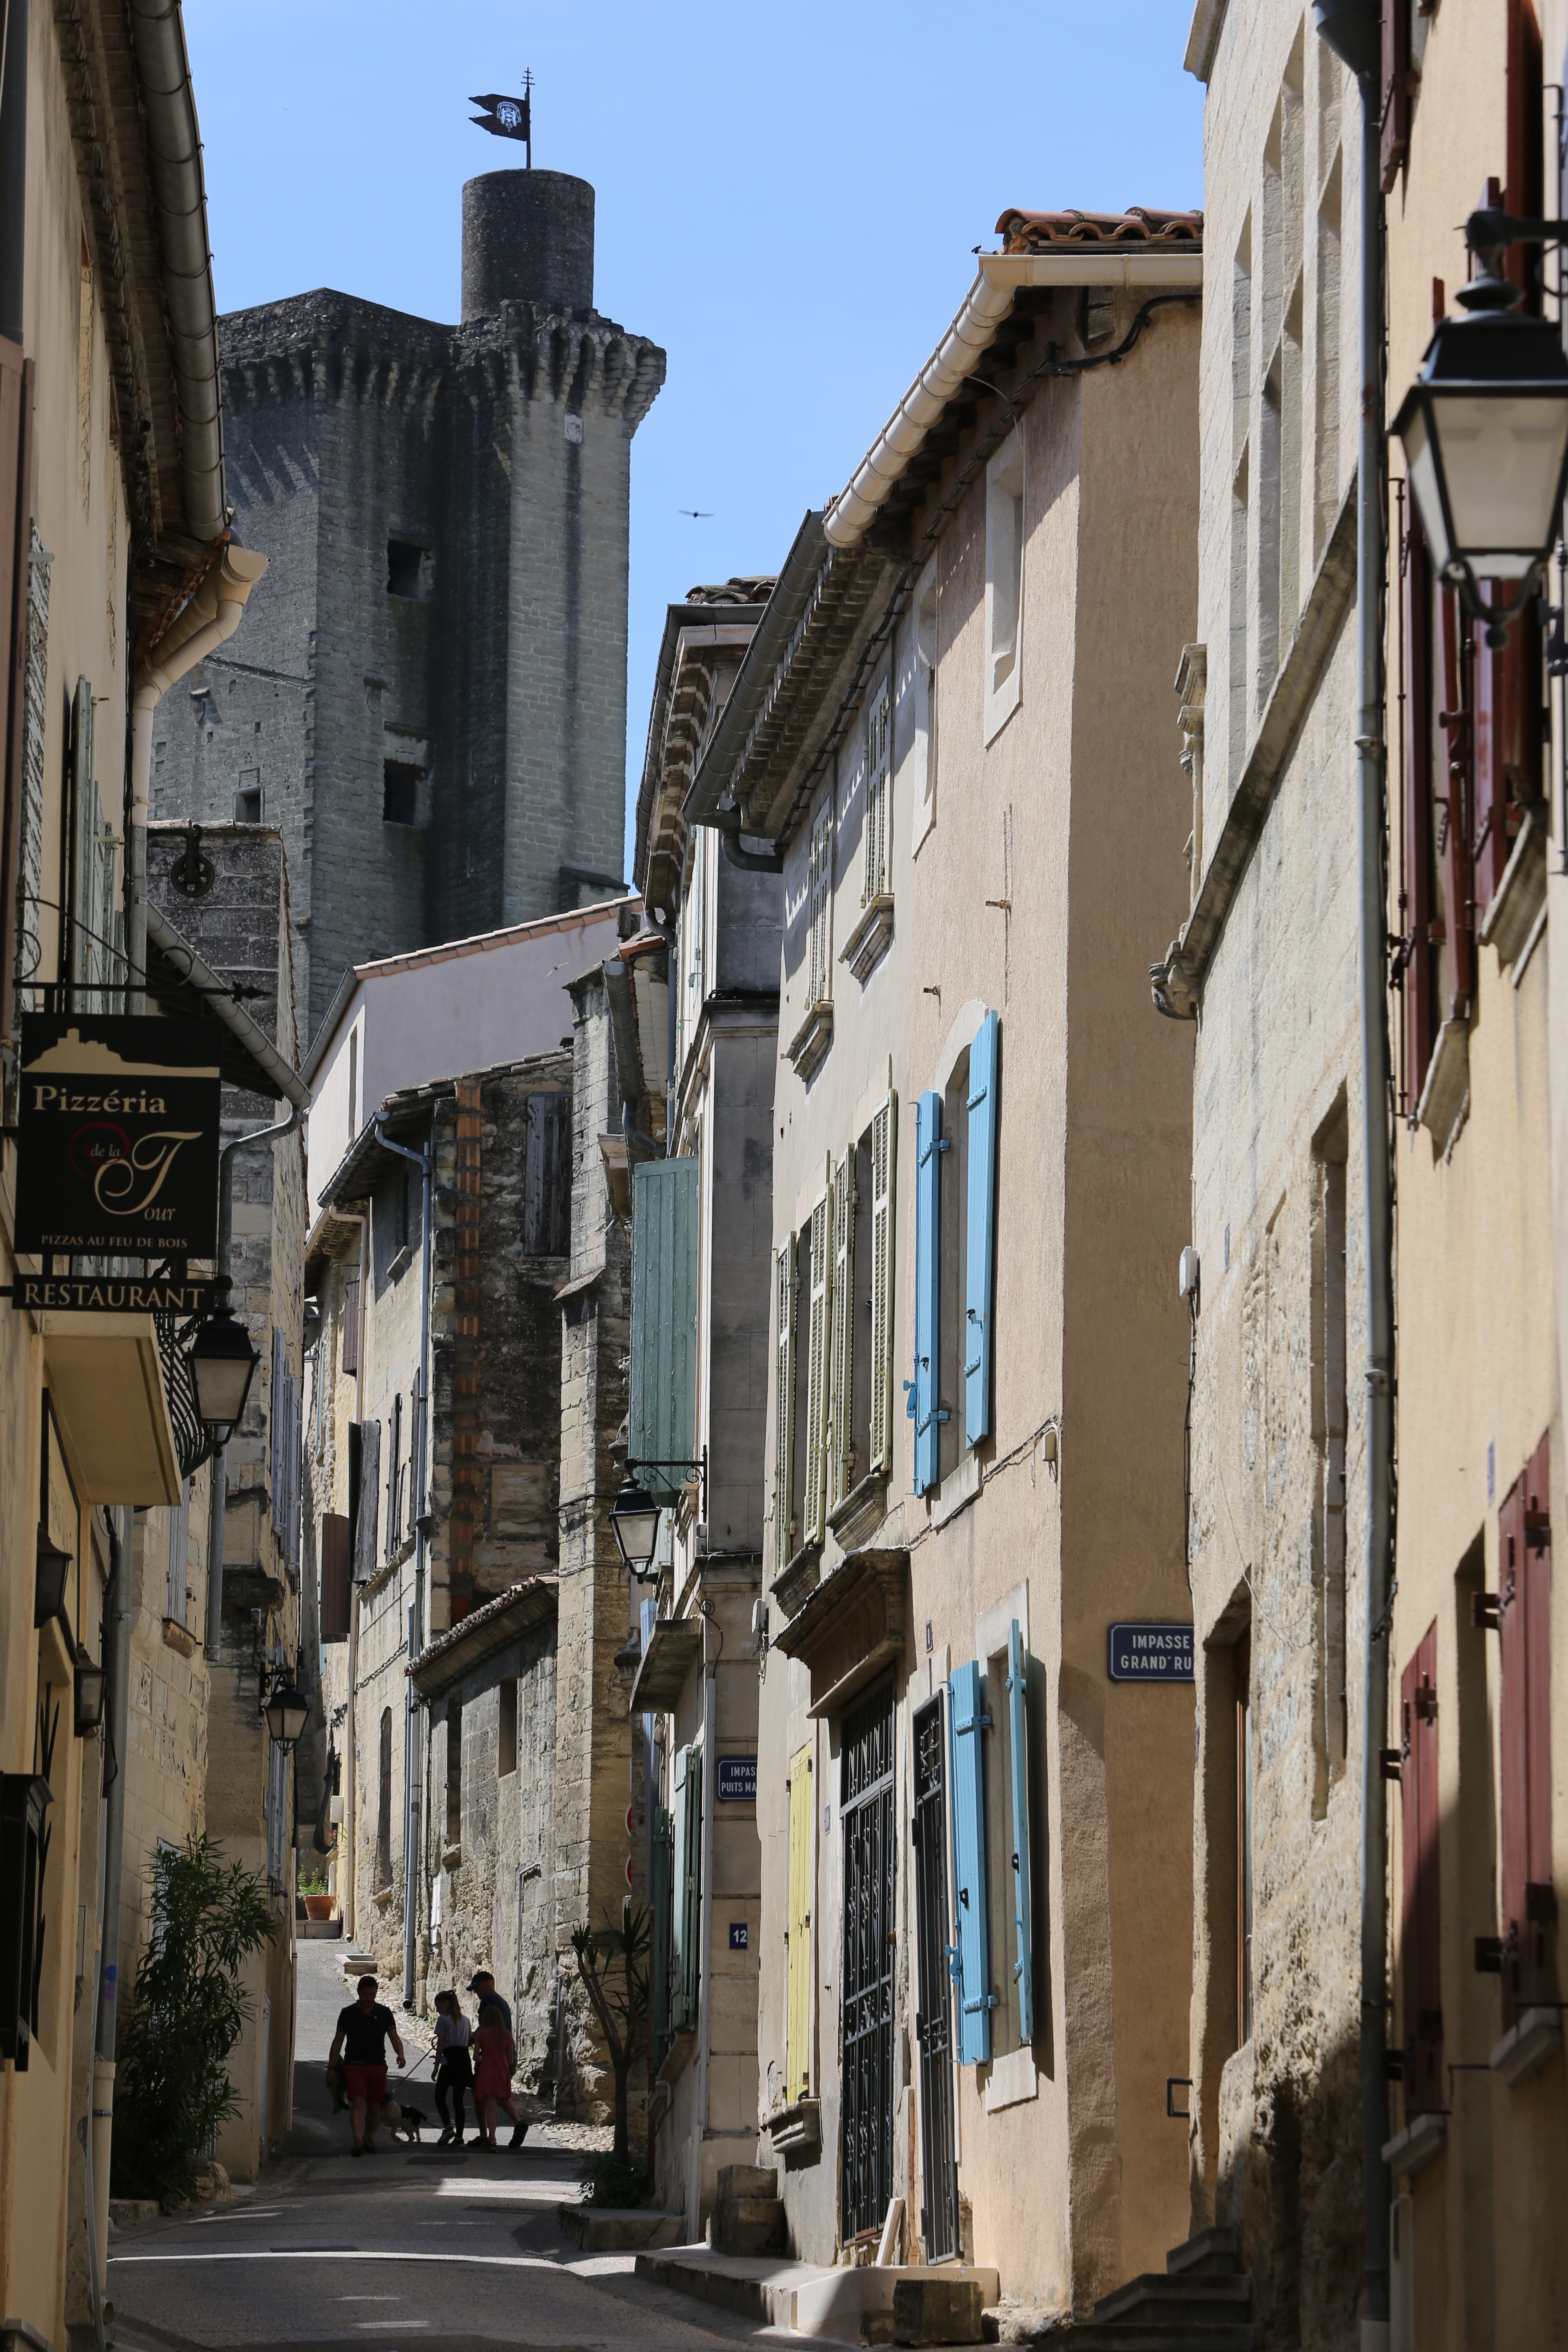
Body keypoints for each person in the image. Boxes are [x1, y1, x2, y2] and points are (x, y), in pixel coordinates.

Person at [327, 1973, 406, 2156]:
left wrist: (400, 2054)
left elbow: (394, 2037)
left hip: (378, 2065)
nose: (369, 1998)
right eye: (365, 1994)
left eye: (372, 1994)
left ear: (376, 1993)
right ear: (359, 1993)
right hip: (355, 2066)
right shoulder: (347, 2014)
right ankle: (358, 2143)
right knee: (358, 2102)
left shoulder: (385, 2013)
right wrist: (331, 2068)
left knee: (374, 2107)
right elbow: (338, 2042)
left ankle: (368, 2137)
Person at [467, 1970, 528, 2147]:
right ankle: (518, 2123)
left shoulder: (488, 2000)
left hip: (491, 2057)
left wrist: (470, 2042)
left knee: (480, 2095)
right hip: (506, 2055)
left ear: (487, 1983)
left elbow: (483, 2027)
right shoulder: (502, 2001)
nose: (476, 1993)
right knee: (499, 2095)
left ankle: (485, 2135)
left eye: (477, 1988)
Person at [471, 2000, 517, 2151]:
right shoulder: (507, 2036)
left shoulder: (482, 2034)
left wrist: (484, 2058)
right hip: (502, 2073)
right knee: (495, 2106)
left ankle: (492, 2138)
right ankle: (492, 2135)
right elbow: (511, 2061)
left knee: (490, 2107)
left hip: (487, 2072)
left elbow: (475, 2056)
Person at [430, 1989, 472, 2147]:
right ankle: (460, 2137)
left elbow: (440, 2045)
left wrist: (436, 2067)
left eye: (438, 2006)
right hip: (463, 2062)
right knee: (458, 2101)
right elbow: (468, 2041)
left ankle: (448, 2127)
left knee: (440, 2096)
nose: (437, 2009)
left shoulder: (443, 2020)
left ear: (446, 2004)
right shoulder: (466, 2020)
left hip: (449, 2063)